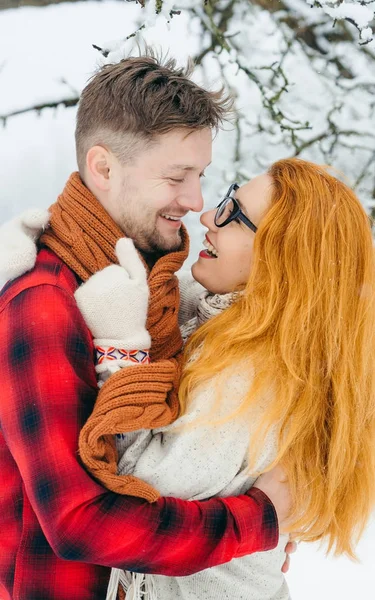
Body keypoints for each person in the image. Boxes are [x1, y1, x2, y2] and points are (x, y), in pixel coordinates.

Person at [3, 157, 375, 600]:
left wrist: (121, 352)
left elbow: (134, 492)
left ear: (285, 258)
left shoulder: (250, 371)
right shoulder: (214, 317)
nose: (208, 216)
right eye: (228, 200)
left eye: (236, 217)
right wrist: (44, 240)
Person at [0, 52, 292, 600]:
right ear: (105, 168)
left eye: (201, 177)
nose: (197, 201)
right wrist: (258, 521)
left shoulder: (147, 294)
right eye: (177, 177)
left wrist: (246, 556)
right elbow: (79, 523)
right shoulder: (45, 305)